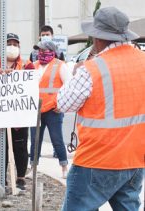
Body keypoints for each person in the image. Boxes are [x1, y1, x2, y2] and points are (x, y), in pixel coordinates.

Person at [56, 7, 144, 210]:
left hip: (95, 161)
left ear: (98, 38)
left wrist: (75, 74)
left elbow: (63, 103)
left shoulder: (92, 68)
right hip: (135, 159)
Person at [0, 33, 35, 190]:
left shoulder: (27, 65)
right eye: (9, 43)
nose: (12, 46)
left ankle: (20, 178)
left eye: (15, 43)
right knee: (0, 148)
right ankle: (2, 178)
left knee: (20, 147)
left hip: (19, 116)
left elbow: (33, 83)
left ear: (19, 46)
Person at [29, 40, 71, 179]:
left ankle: (64, 167)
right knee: (35, 140)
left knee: (57, 139)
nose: (40, 53)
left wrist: (62, 104)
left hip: (54, 110)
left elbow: (69, 87)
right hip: (36, 110)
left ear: (51, 51)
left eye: (43, 50)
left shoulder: (60, 65)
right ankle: (33, 167)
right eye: (38, 50)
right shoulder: (33, 66)